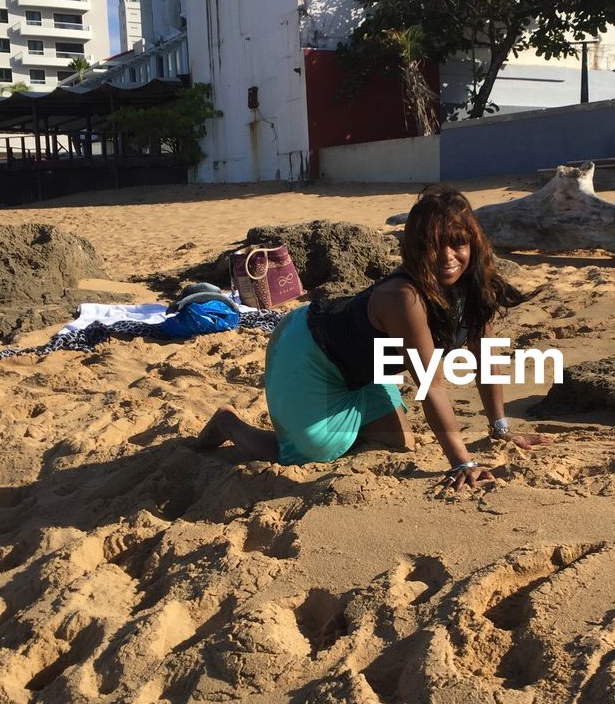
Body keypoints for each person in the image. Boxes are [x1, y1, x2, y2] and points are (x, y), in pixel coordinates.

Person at [196, 184, 548, 488]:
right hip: (307, 350)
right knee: (314, 453)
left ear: (473, 243)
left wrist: (500, 428)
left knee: (401, 442)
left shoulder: (474, 288)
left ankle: (342, 419)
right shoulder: (403, 297)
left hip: (363, 369)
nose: (447, 256)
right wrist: (462, 463)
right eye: (433, 244)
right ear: (414, 247)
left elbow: (486, 356)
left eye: (457, 243)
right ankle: (229, 423)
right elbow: (431, 384)